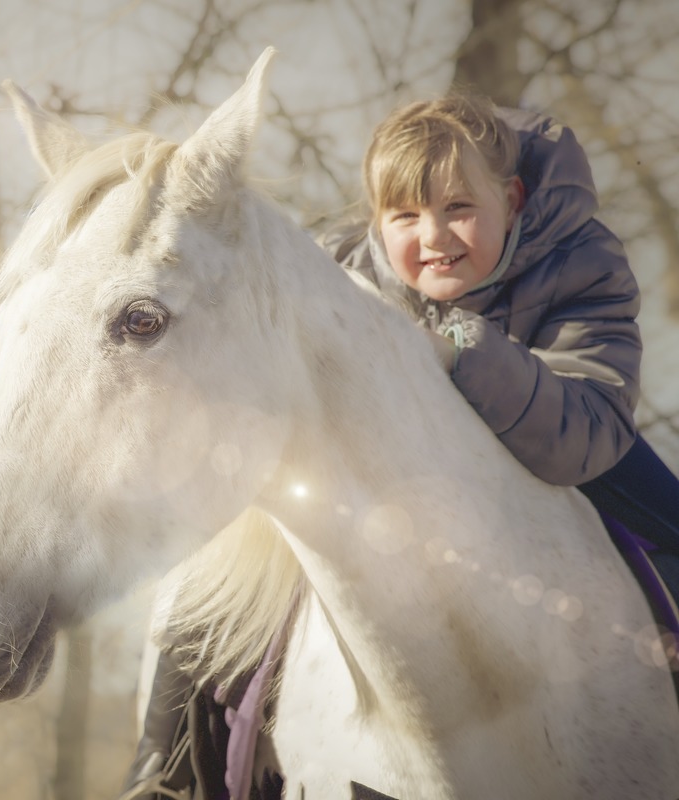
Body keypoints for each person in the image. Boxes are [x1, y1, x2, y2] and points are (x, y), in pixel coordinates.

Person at [120, 93, 679, 800]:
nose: (435, 235)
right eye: (406, 217)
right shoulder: (343, 275)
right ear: (377, 223)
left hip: (562, 444)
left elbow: (585, 431)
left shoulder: (578, 259)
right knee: (204, 578)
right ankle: (162, 774)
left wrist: (461, 349)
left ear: (511, 199)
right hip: (396, 492)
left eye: (458, 208)